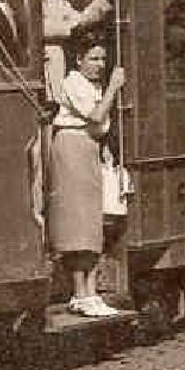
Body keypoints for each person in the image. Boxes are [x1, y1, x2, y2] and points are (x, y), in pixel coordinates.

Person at [49, 38, 127, 317]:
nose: (99, 65)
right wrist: (114, 88)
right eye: (93, 59)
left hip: (88, 147)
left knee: (91, 222)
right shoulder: (73, 83)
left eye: (102, 59)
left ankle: (88, 292)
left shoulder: (90, 85)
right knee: (79, 223)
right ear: (79, 59)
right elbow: (96, 116)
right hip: (74, 148)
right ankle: (81, 292)